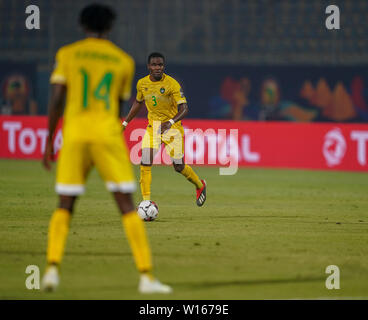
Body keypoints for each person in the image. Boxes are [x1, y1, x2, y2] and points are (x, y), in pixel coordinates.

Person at [41, 4, 171, 294]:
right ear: (110, 27)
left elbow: (58, 99)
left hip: (75, 135)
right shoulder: (122, 60)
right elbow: (116, 106)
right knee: (126, 204)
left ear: (81, 25)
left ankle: (51, 270)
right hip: (106, 135)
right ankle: (147, 277)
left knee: (65, 204)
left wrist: (49, 140)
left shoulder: (67, 54)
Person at [123, 52, 207, 206]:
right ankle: (146, 202)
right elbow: (138, 102)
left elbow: (185, 109)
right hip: (153, 127)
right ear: (149, 66)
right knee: (145, 161)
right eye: (154, 65)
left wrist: (169, 122)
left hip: (172, 128)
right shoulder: (142, 83)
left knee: (179, 166)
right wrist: (125, 122)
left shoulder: (172, 84)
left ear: (163, 66)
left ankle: (200, 185)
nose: (157, 68)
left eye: (160, 65)